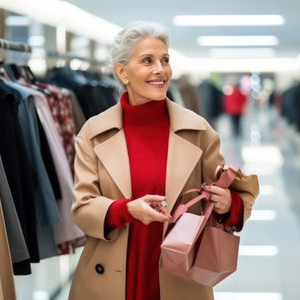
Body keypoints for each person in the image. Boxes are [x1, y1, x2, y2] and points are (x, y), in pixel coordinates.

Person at [68, 21, 259, 300]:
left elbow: (229, 197)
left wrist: (229, 203)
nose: (161, 69)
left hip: (179, 272)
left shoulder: (198, 130)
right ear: (122, 72)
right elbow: (82, 208)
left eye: (165, 60)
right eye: (148, 60)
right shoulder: (94, 133)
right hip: (112, 275)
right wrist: (128, 210)